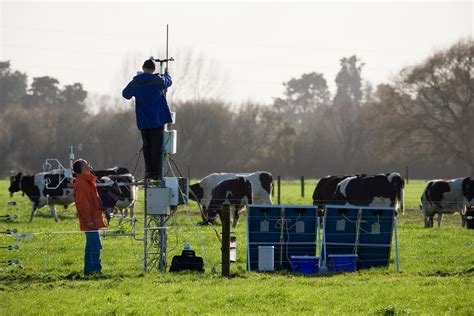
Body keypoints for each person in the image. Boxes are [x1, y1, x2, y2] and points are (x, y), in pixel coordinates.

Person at [122, 59, 173, 180]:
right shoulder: (158, 80)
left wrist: (137, 83)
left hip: (143, 121)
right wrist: (166, 73)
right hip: (157, 119)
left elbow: (126, 94)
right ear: (154, 69)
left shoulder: (136, 82)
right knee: (157, 148)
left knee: (147, 147)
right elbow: (168, 82)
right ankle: (157, 174)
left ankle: (149, 172)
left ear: (143, 68)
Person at [72, 159, 107, 275]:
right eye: (87, 164)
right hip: (90, 220)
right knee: (96, 245)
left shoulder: (87, 181)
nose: (90, 165)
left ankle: (88, 271)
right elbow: (83, 204)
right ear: (83, 169)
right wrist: (88, 220)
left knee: (91, 246)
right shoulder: (81, 183)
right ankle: (96, 270)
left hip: (93, 219)